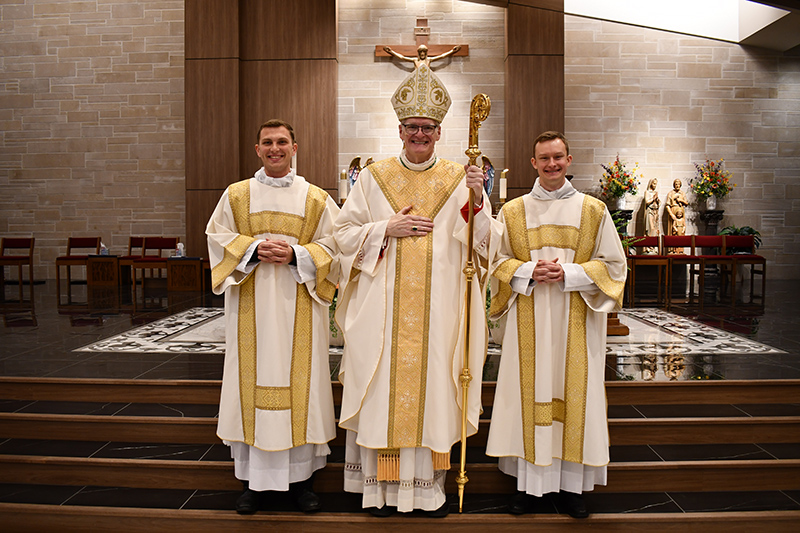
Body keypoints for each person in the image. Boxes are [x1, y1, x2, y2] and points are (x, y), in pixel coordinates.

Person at [333, 62, 495, 518]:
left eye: (427, 127)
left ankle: (427, 490)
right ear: (399, 129)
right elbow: (342, 236)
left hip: (440, 313)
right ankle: (381, 490)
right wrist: (388, 226)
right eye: (411, 127)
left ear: (440, 132)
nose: (418, 134)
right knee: (383, 388)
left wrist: (478, 201)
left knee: (436, 391)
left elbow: (484, 244)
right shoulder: (373, 176)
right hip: (381, 313)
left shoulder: (460, 178)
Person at [486, 131, 627, 519]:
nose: (551, 165)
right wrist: (531, 270)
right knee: (528, 396)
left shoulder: (593, 210)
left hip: (576, 322)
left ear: (569, 159)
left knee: (574, 396)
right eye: (544, 159)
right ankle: (530, 488)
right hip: (527, 320)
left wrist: (570, 273)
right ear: (533, 163)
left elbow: (615, 267)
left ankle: (571, 489)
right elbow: (494, 263)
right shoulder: (513, 211)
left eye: (558, 157)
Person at [206, 119, 340, 514]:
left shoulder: (315, 199)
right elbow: (216, 237)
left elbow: (337, 245)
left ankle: (303, 485)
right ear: (257, 148)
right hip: (251, 308)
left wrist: (298, 254)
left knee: (304, 390)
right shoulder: (236, 195)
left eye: (282, 142)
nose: (275, 148)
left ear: (295, 148)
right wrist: (252, 249)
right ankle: (253, 484)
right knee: (251, 385)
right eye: (268, 142)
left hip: (300, 308)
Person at [383, 43, 461, 69]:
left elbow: (441, 56)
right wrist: (391, 52)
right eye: (421, 52)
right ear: (419, 53)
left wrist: (452, 51)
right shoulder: (415, 60)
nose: (422, 54)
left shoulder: (429, 60)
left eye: (424, 52)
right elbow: (402, 57)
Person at [665, 178, 689, 253]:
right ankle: (672, 250)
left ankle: (680, 250)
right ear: (674, 185)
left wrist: (681, 200)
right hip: (673, 210)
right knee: (673, 231)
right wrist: (671, 214)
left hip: (681, 211)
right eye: (676, 184)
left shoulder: (682, 193)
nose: (677, 186)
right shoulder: (670, 193)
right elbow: (667, 205)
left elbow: (686, 203)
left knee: (680, 230)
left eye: (678, 184)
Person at [644, 177, 660, 254]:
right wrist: (653, 198)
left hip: (655, 212)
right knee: (650, 228)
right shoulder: (647, 192)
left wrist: (657, 200)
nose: (655, 185)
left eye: (656, 184)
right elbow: (647, 202)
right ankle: (648, 246)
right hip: (649, 211)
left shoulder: (655, 192)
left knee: (655, 229)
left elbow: (658, 204)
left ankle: (653, 247)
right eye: (654, 183)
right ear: (650, 183)